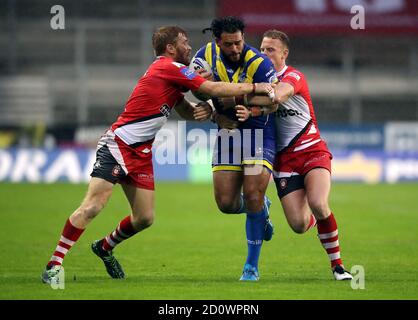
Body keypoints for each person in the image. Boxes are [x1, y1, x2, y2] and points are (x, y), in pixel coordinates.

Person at [41, 25, 274, 284]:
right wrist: (255, 87)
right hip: (119, 144)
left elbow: (186, 111)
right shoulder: (168, 67)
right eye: (184, 43)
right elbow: (212, 88)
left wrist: (210, 114)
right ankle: (54, 264)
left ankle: (105, 247)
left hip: (141, 152)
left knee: (144, 218)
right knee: (94, 205)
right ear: (170, 48)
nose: (189, 47)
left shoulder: (170, 78)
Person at [239, 29, 353, 280]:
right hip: (284, 160)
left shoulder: (293, 76)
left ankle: (338, 267)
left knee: (319, 203)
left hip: (312, 150)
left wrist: (247, 91)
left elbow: (279, 95)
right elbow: (258, 107)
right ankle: (321, 225)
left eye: (271, 49)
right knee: (299, 225)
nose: (264, 53)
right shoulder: (255, 78)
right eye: (262, 48)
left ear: (284, 53)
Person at [191, 16, 278, 281]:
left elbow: (274, 101)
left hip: (258, 133)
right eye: (229, 44)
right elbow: (197, 90)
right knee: (226, 204)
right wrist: (210, 108)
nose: (235, 49)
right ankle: (261, 207)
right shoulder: (204, 56)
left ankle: (251, 267)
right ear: (217, 42)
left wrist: (241, 101)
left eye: (239, 42)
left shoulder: (259, 63)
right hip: (228, 134)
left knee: (251, 193)